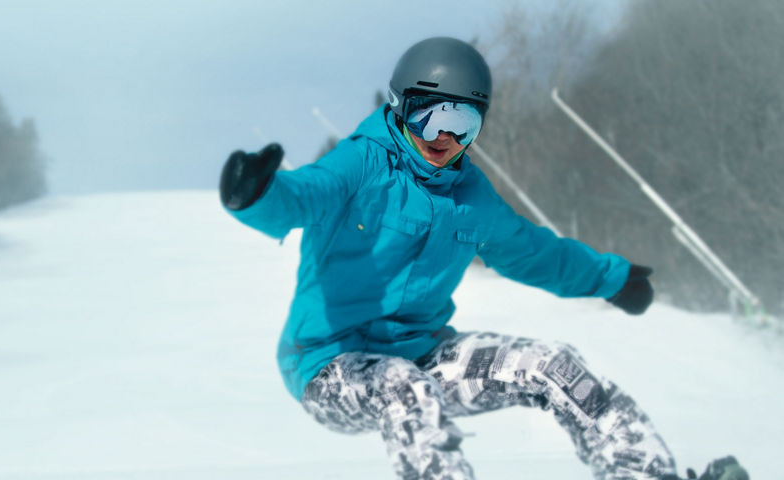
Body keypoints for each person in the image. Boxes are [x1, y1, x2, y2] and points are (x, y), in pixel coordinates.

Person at [219, 37, 748, 480]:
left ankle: (642, 472)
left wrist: (611, 279)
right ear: (402, 108)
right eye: (431, 119)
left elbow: (536, 253)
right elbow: (303, 196)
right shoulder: (361, 162)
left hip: (424, 354)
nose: (444, 137)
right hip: (329, 365)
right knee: (405, 392)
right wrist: (255, 196)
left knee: (551, 366)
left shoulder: (472, 198)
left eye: (463, 122)